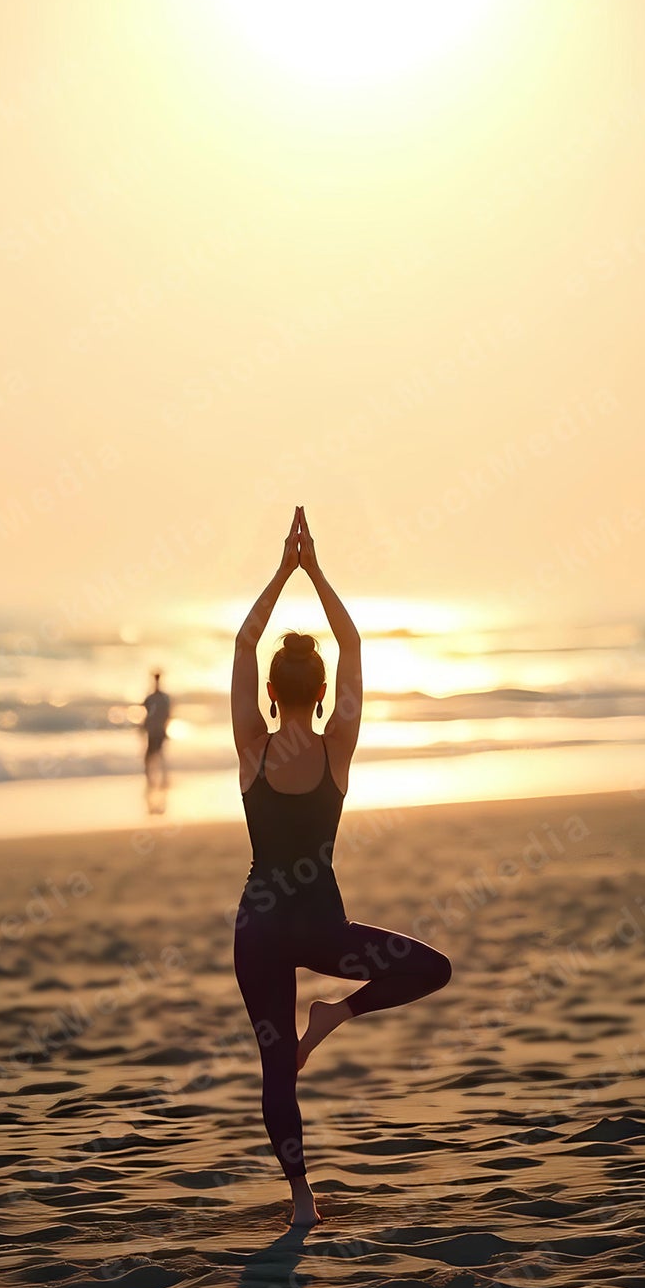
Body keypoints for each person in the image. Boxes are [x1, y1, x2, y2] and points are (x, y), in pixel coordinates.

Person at [230, 506, 453, 1227]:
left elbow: (242, 639)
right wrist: (314, 570)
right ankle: (336, 1015)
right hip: (324, 928)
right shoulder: (337, 749)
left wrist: (282, 571)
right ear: (322, 694)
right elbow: (352, 640)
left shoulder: (251, 750)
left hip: (260, 931)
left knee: (274, 1071)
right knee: (429, 967)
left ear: (270, 693)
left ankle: (301, 1202)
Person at [142, 670, 171, 814]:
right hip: (156, 729)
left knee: (152, 756)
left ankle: (153, 781)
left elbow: (149, 713)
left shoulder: (153, 698)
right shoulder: (163, 698)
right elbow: (167, 715)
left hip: (155, 729)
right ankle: (157, 780)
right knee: (156, 755)